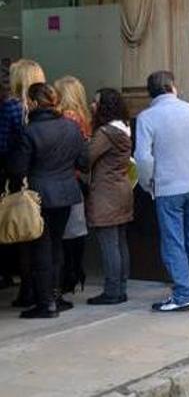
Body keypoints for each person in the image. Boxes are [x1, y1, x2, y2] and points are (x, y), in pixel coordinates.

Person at [135, 71, 189, 312]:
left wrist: (148, 182)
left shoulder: (146, 117)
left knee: (173, 241)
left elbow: (143, 157)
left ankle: (182, 293)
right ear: (173, 87)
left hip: (168, 186)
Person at [10, 83, 86, 318]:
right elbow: (84, 161)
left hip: (39, 195)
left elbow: (17, 169)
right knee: (56, 245)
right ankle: (55, 295)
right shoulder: (72, 127)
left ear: (33, 103)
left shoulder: (29, 131)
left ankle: (46, 303)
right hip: (66, 194)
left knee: (41, 248)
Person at [2, 59, 45, 307]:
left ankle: (27, 288)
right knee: (38, 235)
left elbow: (6, 144)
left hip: (18, 178)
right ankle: (40, 288)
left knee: (21, 234)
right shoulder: (50, 105)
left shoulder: (12, 107)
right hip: (43, 177)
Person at [85, 88, 133, 305]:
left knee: (109, 244)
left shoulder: (105, 133)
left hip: (106, 194)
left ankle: (112, 291)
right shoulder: (124, 128)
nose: (92, 105)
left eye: (95, 102)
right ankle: (121, 287)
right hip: (122, 190)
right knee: (120, 242)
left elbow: (86, 158)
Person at [54, 76, 92, 295]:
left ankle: (70, 273)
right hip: (78, 179)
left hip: (68, 177)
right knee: (76, 229)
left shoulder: (67, 119)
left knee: (66, 231)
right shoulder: (85, 118)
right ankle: (76, 271)